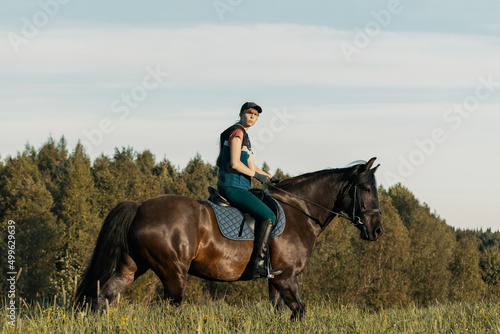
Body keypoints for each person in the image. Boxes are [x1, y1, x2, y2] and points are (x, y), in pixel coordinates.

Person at [216, 102, 282, 278]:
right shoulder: (237, 133)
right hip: (232, 187)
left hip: (242, 187)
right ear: (241, 114)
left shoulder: (245, 137)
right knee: (269, 216)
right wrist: (256, 176)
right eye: (249, 113)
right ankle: (259, 265)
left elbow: (253, 166)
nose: (252, 117)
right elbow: (235, 163)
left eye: (256, 115)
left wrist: (269, 178)